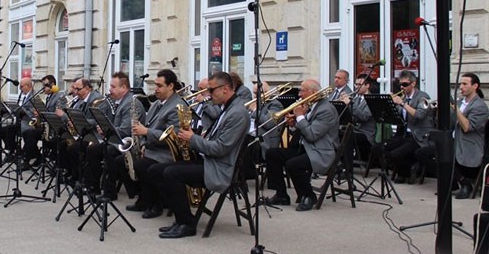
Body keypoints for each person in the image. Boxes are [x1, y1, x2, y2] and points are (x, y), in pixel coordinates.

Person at [148, 72, 249, 238]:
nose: (208, 94)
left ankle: (187, 224)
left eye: (211, 90)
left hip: (218, 168)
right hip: (209, 160)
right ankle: (182, 218)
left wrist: (193, 139)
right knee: (156, 170)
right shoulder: (228, 108)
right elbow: (217, 139)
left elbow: (220, 149)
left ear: (224, 89)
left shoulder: (237, 113)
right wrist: (200, 137)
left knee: (171, 173)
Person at [264, 79, 339, 211]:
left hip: (320, 151)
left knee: (293, 164)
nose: (299, 94)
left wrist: (299, 117)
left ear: (313, 92)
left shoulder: (326, 110)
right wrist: (293, 125)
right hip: (305, 148)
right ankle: (281, 195)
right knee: (272, 154)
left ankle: (309, 196)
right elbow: (305, 129)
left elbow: (312, 135)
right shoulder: (311, 106)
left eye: (302, 90)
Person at [125, 69, 181, 218]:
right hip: (152, 148)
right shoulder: (157, 104)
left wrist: (146, 133)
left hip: (166, 152)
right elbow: (146, 126)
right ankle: (144, 200)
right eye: (155, 85)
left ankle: (156, 205)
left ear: (170, 86)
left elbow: (173, 134)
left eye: (159, 86)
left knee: (144, 167)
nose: (155, 88)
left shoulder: (176, 106)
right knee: (129, 163)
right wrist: (143, 144)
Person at [85, 72, 145, 199]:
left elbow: (126, 130)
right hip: (118, 140)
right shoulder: (121, 101)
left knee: (108, 151)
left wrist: (106, 131)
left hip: (129, 143)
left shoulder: (130, 103)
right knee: (93, 149)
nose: (110, 89)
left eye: (113, 86)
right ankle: (93, 187)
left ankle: (109, 192)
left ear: (123, 88)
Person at [375, 70, 433, 184]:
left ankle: (407, 171)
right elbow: (397, 117)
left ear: (413, 83)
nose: (402, 87)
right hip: (405, 133)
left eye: (405, 84)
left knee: (396, 153)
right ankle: (406, 170)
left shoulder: (422, 97)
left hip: (418, 135)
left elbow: (419, 115)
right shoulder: (404, 97)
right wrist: (390, 104)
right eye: (400, 84)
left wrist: (402, 103)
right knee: (379, 147)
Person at [452, 73, 489, 198]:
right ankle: (456, 183)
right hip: (455, 141)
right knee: (433, 150)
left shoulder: (480, 106)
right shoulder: (460, 102)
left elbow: (467, 127)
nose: (461, 87)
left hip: (470, 146)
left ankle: (466, 184)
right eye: (460, 84)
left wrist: (456, 110)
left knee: (446, 154)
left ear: (475, 86)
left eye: (465, 84)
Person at [22, 75, 67, 167]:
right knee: (27, 133)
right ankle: (36, 156)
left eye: (45, 86)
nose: (43, 88)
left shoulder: (59, 96)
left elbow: (58, 114)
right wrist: (39, 114)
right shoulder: (47, 96)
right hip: (45, 125)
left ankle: (32, 158)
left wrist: (44, 114)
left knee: (30, 134)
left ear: (52, 85)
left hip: (53, 128)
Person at [0, 77, 37, 164]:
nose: (20, 88)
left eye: (21, 86)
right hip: (21, 121)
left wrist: (22, 110)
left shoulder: (34, 96)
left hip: (28, 123)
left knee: (12, 130)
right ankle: (14, 150)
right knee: (4, 130)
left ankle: (26, 154)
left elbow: (33, 113)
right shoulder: (24, 96)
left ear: (28, 86)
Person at [341, 74, 377, 162]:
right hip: (355, 130)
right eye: (356, 84)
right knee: (338, 134)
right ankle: (341, 162)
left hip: (365, 134)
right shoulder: (356, 99)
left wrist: (349, 104)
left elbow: (363, 117)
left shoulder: (372, 99)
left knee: (347, 137)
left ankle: (348, 166)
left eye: (359, 85)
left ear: (367, 86)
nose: (357, 87)